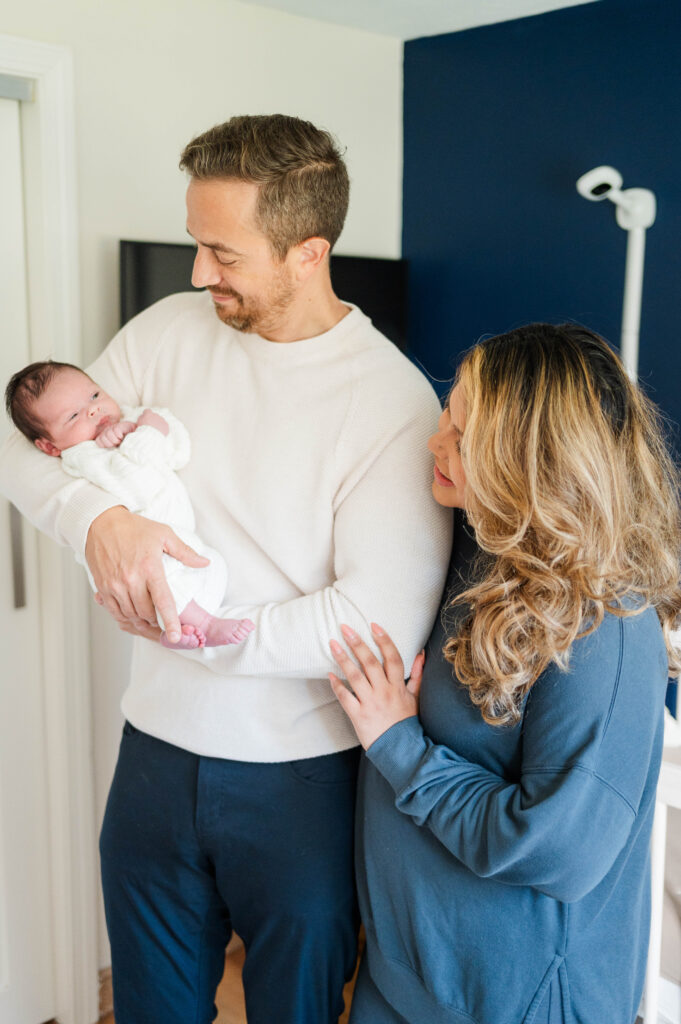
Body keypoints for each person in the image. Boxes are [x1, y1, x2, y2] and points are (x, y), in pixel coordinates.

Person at [0, 114, 451, 1024]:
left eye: (222, 252)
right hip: (153, 760)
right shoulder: (169, 328)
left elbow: (371, 625)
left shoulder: (392, 401)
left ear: (306, 252)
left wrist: (192, 634)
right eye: (195, 244)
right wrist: (100, 519)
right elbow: (23, 452)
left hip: (303, 781)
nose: (199, 272)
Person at [328, 323, 680, 1024]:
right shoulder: (472, 547)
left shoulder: (603, 625)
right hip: (406, 975)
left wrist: (398, 743)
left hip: (512, 1003)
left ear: (528, 458)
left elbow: (557, 849)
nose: (434, 443)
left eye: (460, 436)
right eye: (445, 418)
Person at [5, 360, 254, 649]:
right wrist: (139, 436)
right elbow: (136, 483)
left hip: (178, 536)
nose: (93, 410)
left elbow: (178, 450)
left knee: (213, 567)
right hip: (145, 547)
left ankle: (176, 628)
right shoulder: (83, 456)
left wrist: (145, 427)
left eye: (95, 396)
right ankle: (201, 625)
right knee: (163, 576)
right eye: (74, 416)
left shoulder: (129, 418)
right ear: (50, 447)